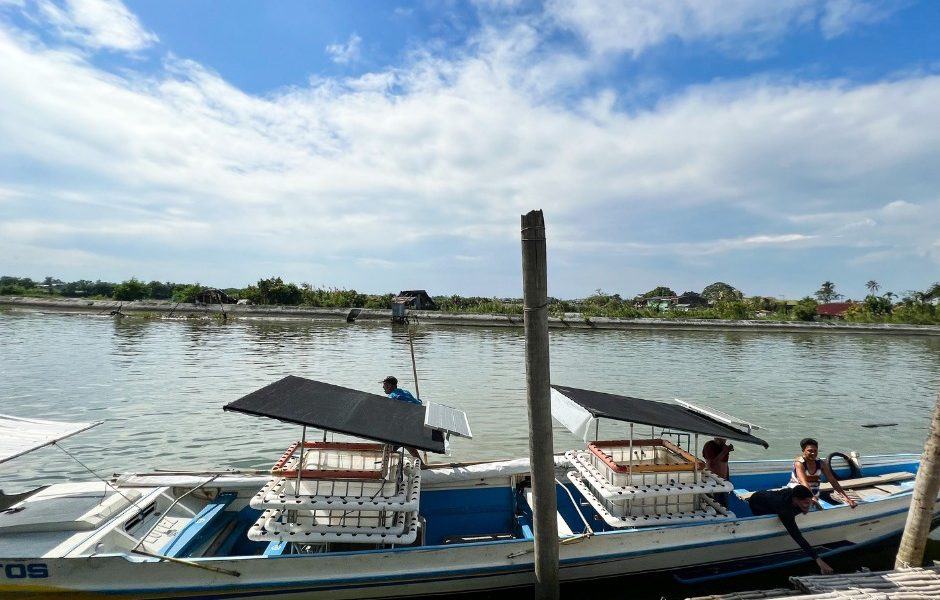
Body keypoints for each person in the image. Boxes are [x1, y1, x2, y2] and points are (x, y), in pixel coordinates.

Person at [748, 484, 835, 575]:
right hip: (756, 502)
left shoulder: (794, 493)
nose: (808, 506)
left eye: (809, 502)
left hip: (768, 495)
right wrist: (819, 561)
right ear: (795, 499)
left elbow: (804, 497)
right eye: (805, 503)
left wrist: (812, 502)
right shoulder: (784, 510)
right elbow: (797, 536)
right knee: (770, 518)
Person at [788, 438, 857, 509]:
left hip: (814, 492)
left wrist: (846, 497)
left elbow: (832, 480)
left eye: (815, 451)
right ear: (803, 450)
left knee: (834, 503)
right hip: (797, 492)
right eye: (810, 451)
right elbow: (803, 482)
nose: (813, 453)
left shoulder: (821, 463)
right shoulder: (799, 463)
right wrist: (812, 497)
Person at [702, 437, 733, 506]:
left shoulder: (723, 447)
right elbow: (711, 464)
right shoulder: (709, 445)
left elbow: (725, 464)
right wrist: (724, 451)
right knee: (713, 505)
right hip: (713, 481)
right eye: (724, 439)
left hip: (723, 482)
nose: (725, 440)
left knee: (724, 506)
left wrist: (728, 480)